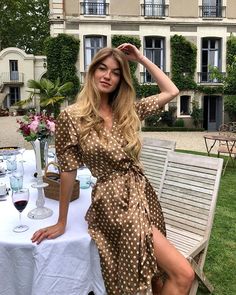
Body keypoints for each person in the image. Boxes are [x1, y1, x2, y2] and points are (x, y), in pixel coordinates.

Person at [31, 43, 194, 295]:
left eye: (116, 72)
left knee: (156, 279)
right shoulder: (71, 117)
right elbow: (67, 170)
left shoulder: (127, 111)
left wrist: (140, 58)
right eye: (102, 68)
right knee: (184, 274)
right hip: (111, 200)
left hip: (141, 194)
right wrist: (61, 221)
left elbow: (171, 90)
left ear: (122, 80)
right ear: (92, 72)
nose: (107, 76)